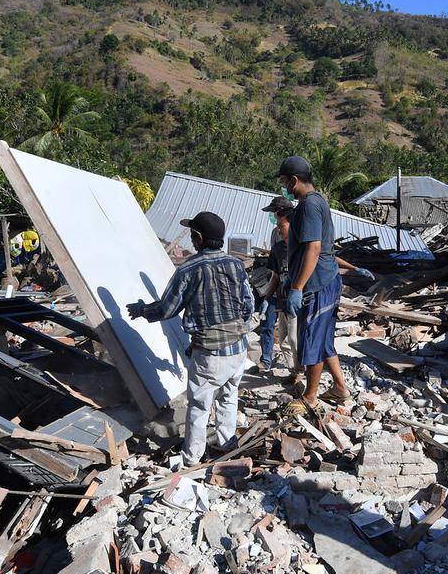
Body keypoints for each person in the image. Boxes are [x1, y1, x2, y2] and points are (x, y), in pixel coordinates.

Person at [127, 212, 254, 468]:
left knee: (199, 405)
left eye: (193, 235)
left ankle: (191, 460)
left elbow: (167, 309)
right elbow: (248, 305)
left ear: (197, 238)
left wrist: (142, 310)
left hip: (210, 351)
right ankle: (226, 444)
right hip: (239, 348)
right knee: (228, 397)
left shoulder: (188, 268)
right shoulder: (236, 264)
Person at [277, 155, 349, 412]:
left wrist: (298, 287)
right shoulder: (316, 202)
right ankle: (340, 387)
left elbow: (314, 248)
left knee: (312, 340)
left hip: (318, 283)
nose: (284, 186)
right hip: (323, 281)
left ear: (294, 180)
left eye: (285, 182)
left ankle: (310, 396)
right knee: (324, 340)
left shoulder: (308, 205)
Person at [258, 196, 300, 375]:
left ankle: (300, 372)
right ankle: (277, 364)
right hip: (281, 295)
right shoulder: (278, 243)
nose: (276, 224)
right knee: (278, 335)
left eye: (278, 218)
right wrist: (268, 298)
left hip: (297, 298)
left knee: (294, 338)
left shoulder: (303, 245)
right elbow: (276, 274)